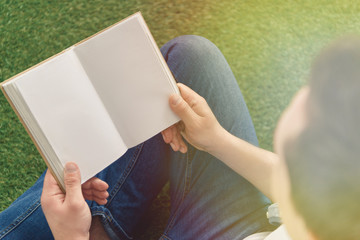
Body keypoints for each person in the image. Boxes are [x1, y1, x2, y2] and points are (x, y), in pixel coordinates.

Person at [1, 34, 359, 240]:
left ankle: (92, 227)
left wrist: (71, 237)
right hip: (258, 228)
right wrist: (216, 139)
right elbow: (304, 188)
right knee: (191, 58)